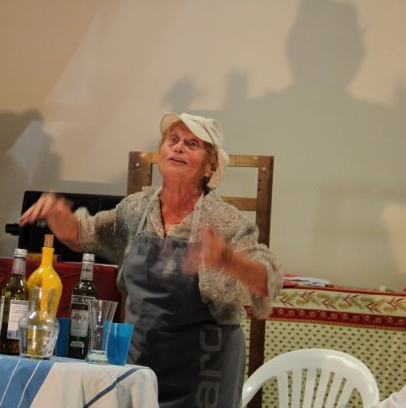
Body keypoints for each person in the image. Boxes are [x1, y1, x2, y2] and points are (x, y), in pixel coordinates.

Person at [20, 112, 283, 407]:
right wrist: (58, 215)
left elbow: (268, 281)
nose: (178, 147)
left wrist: (228, 259)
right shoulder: (136, 209)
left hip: (205, 373)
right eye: (173, 140)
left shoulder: (224, 220)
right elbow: (84, 234)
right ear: (161, 152)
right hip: (141, 366)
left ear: (210, 166)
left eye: (192, 144)